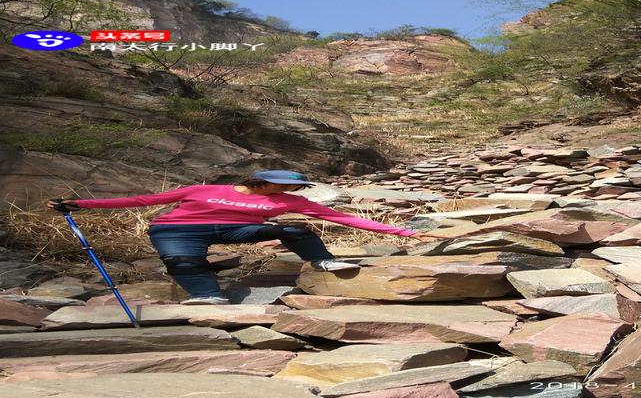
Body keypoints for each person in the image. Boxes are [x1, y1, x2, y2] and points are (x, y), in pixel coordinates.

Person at [47, 170, 447, 305]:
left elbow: (341, 217)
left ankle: (323, 260)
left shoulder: (288, 201)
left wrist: (401, 231)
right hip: (178, 229)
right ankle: (209, 296)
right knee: (184, 263)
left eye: (295, 187)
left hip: (237, 231)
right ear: (260, 181)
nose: (293, 191)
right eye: (282, 186)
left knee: (293, 228)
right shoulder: (201, 189)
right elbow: (143, 199)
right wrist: (81, 206)